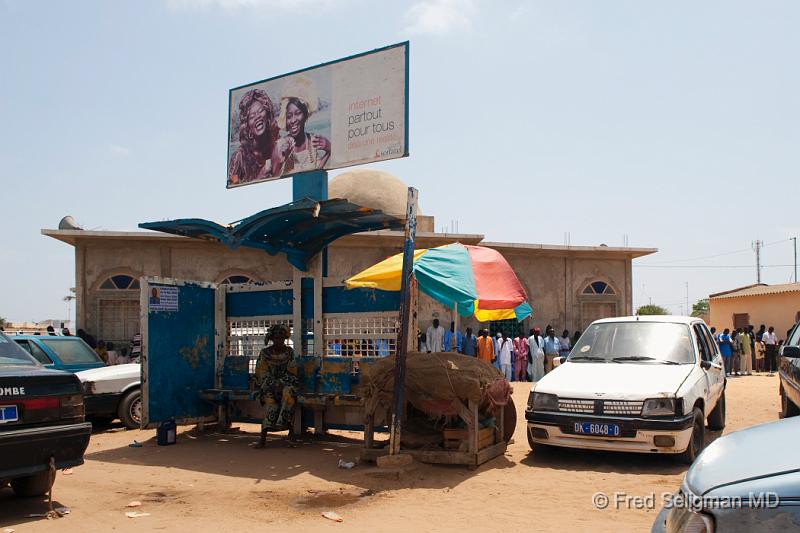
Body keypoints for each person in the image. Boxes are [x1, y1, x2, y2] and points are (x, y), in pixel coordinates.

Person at [254, 324, 298, 448]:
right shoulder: (265, 353)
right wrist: (273, 385)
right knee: (269, 402)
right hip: (268, 387)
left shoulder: (290, 352)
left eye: (281, 338)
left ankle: (291, 433)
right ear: (272, 338)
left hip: (286, 385)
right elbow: (262, 373)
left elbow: (292, 372)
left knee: (288, 395)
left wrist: (281, 384)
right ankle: (263, 437)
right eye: (276, 338)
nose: (279, 341)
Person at [228, 89, 278, 185]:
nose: (257, 117)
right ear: (247, 127)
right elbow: (232, 190)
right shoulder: (239, 157)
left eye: (260, 111)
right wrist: (262, 174)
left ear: (267, 116)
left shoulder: (277, 148)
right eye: (252, 116)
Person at [272, 97, 331, 176]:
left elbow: (316, 171)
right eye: (289, 116)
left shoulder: (313, 141)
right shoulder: (280, 146)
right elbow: (274, 176)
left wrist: (329, 148)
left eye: (298, 113)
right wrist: (282, 158)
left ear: (305, 116)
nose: (293, 120)